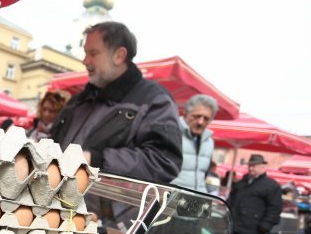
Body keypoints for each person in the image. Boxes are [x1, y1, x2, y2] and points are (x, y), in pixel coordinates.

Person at [52, 21, 182, 183]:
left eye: (93, 53)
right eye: (85, 53)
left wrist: (97, 159)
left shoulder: (154, 99)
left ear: (119, 56)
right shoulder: (78, 101)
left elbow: (164, 161)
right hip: (60, 202)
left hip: (102, 207)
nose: (85, 61)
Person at [172, 94, 218, 192]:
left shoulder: (209, 142)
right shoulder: (171, 132)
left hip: (197, 201)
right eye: (197, 116)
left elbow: (203, 175)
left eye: (206, 118)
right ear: (186, 113)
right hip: (170, 199)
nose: (200, 122)